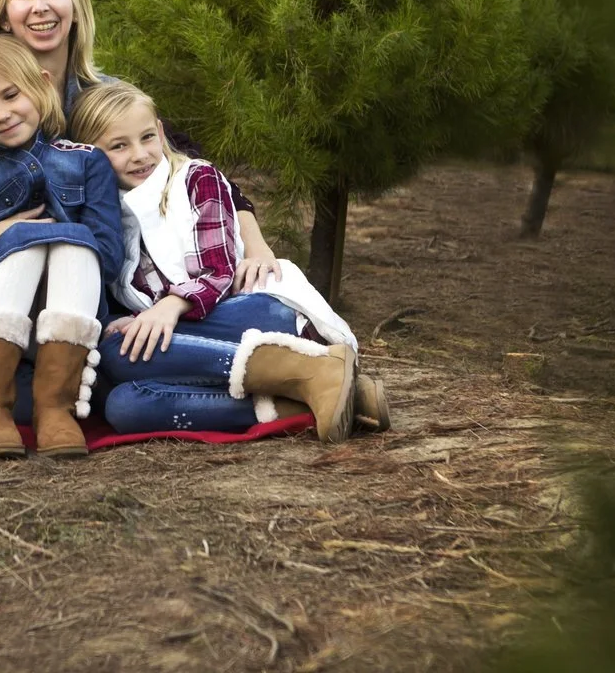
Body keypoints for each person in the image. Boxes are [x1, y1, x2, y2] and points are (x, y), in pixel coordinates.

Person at [69, 80, 390, 444]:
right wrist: (135, 318)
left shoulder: (195, 178)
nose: (140, 154)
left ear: (160, 131)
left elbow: (217, 269)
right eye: (119, 146)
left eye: (146, 137)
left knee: (116, 353)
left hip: (259, 312)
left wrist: (166, 308)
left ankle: (307, 364)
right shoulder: (110, 214)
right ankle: (316, 395)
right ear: (90, 156)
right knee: (124, 405)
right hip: (196, 337)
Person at [0, 0, 285, 292]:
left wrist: (258, 249)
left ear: (75, 7)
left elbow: (197, 172)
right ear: (2, 17)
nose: (40, 6)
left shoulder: (106, 96)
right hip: (8, 281)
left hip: (113, 279)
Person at [0, 37, 123, 459]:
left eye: (10, 95)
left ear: (43, 85)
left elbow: (108, 257)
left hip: (74, 319)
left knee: (71, 247)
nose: (0, 115)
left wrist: (51, 236)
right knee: (23, 243)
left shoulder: (88, 161)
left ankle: (55, 408)